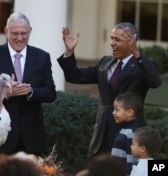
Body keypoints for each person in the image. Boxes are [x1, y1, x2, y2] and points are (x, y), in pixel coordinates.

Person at [57, 22, 162, 162]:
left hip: (129, 136)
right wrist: (70, 52)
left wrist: (137, 53)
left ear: (133, 41)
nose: (112, 43)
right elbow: (74, 76)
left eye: (117, 39)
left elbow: (155, 82)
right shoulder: (105, 62)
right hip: (101, 134)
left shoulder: (143, 64)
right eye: (112, 38)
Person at [0, 12, 56, 161]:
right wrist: (5, 93)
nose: (19, 38)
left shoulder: (42, 57)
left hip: (31, 138)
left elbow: (50, 92)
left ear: (30, 31)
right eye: (15, 33)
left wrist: (30, 91)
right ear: (6, 31)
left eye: (23, 33)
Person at [111, 91, 141, 175]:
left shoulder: (132, 133)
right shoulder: (123, 129)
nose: (113, 113)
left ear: (129, 112)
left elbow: (132, 162)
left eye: (117, 110)